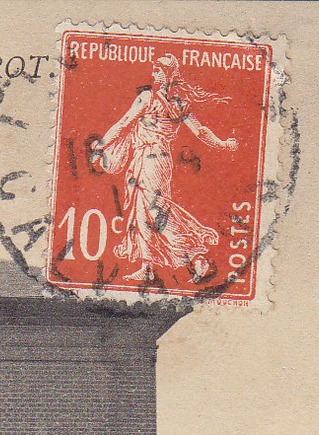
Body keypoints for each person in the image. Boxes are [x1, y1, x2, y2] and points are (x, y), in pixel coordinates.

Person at [92, 54, 238, 284]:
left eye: (158, 71)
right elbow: (201, 132)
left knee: (155, 212)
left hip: (149, 161)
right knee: (142, 212)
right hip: (155, 160)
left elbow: (123, 124)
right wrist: (223, 144)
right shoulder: (178, 104)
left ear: (166, 74)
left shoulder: (148, 98)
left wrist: (101, 146)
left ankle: (197, 258)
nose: (153, 74)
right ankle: (147, 266)